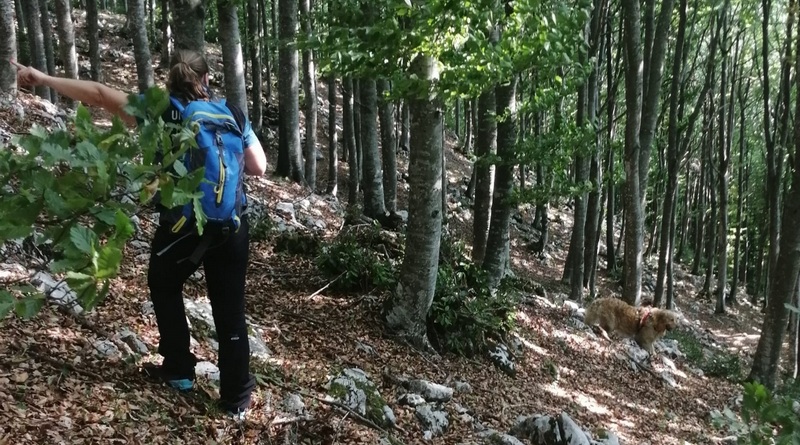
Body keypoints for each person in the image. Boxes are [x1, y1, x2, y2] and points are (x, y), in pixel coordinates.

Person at [11, 50, 267, 420]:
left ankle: (179, 370)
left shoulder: (160, 109)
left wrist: (44, 79)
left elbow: (100, 94)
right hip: (232, 227)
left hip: (183, 225)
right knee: (230, 311)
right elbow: (259, 166)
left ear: (169, 79)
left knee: (164, 283)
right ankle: (236, 401)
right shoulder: (232, 113)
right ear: (207, 78)